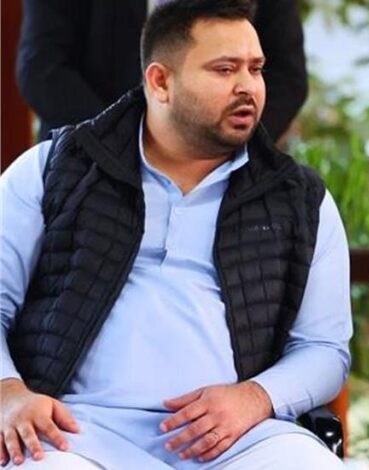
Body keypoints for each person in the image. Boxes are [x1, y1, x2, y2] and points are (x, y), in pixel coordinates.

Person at [0, 1, 350, 469]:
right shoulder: (50, 173)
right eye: (224, 69)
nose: (247, 86)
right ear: (160, 82)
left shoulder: (299, 199)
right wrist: (8, 391)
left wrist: (256, 397)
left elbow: (323, 349)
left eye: (255, 69)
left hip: (237, 439)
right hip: (77, 434)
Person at [16, 0, 307, 143]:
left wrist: (230, 147)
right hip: (88, 156)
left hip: (226, 174)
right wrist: (124, 143)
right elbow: (41, 68)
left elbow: (287, 75)